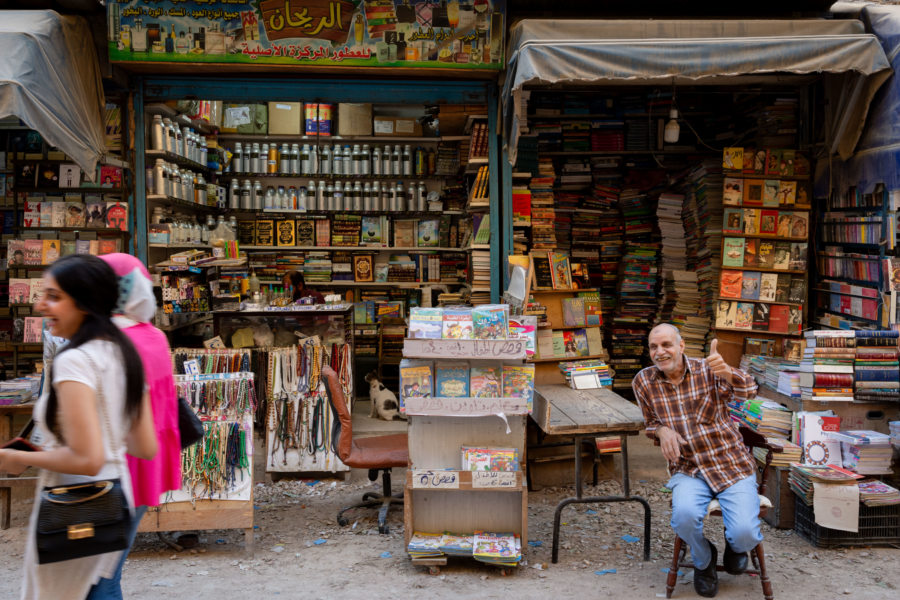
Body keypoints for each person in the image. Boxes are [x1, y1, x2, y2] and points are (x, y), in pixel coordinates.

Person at [0, 254, 157, 599]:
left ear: (84, 303)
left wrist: (23, 460)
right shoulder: (126, 353)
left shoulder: (73, 360)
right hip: (115, 497)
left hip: (73, 501)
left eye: (54, 297)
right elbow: (145, 446)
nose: (41, 305)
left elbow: (87, 459)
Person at [632, 324, 761, 599]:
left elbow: (750, 390)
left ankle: (735, 546)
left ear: (681, 346)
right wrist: (662, 430)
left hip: (731, 464)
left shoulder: (708, 369)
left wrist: (726, 372)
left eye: (666, 344)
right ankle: (704, 560)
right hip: (688, 468)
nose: (660, 352)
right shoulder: (643, 381)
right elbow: (651, 423)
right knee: (684, 518)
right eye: (654, 347)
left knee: (745, 534)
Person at [87, 253, 182, 597]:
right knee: (107, 571)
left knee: (96, 576)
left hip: (101, 471)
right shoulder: (155, 337)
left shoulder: (98, 341)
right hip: (141, 468)